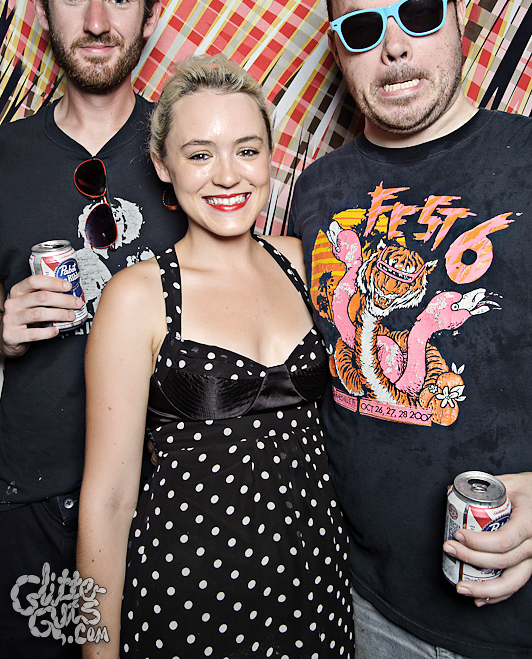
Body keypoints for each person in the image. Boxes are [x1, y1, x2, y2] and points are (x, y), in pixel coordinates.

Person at [288, 0, 532, 659]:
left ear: (459, 17)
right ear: (338, 49)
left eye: (419, 12)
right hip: (366, 605)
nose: (393, 47)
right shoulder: (316, 191)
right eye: (364, 27)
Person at [76, 54, 354, 659]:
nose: (227, 176)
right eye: (200, 154)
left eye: (246, 150)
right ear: (163, 165)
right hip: (190, 598)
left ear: (270, 156)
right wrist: (95, 651)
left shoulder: (302, 262)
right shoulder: (138, 296)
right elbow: (107, 501)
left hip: (316, 589)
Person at [0, 0, 186, 657]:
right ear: (43, 6)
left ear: (149, 14)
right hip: (32, 502)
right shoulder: (5, 158)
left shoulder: (193, 154)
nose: (99, 23)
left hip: (166, 500)